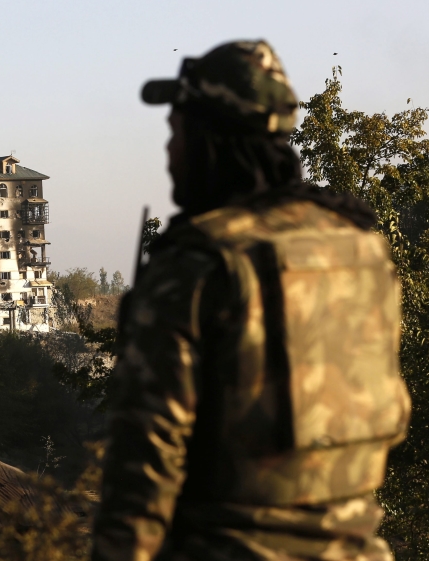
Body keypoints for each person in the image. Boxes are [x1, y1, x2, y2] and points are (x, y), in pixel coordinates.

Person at [92, 41, 411, 561]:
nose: (170, 153)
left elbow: (144, 466)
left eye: (176, 133)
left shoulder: (199, 261)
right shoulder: (362, 246)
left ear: (208, 140)